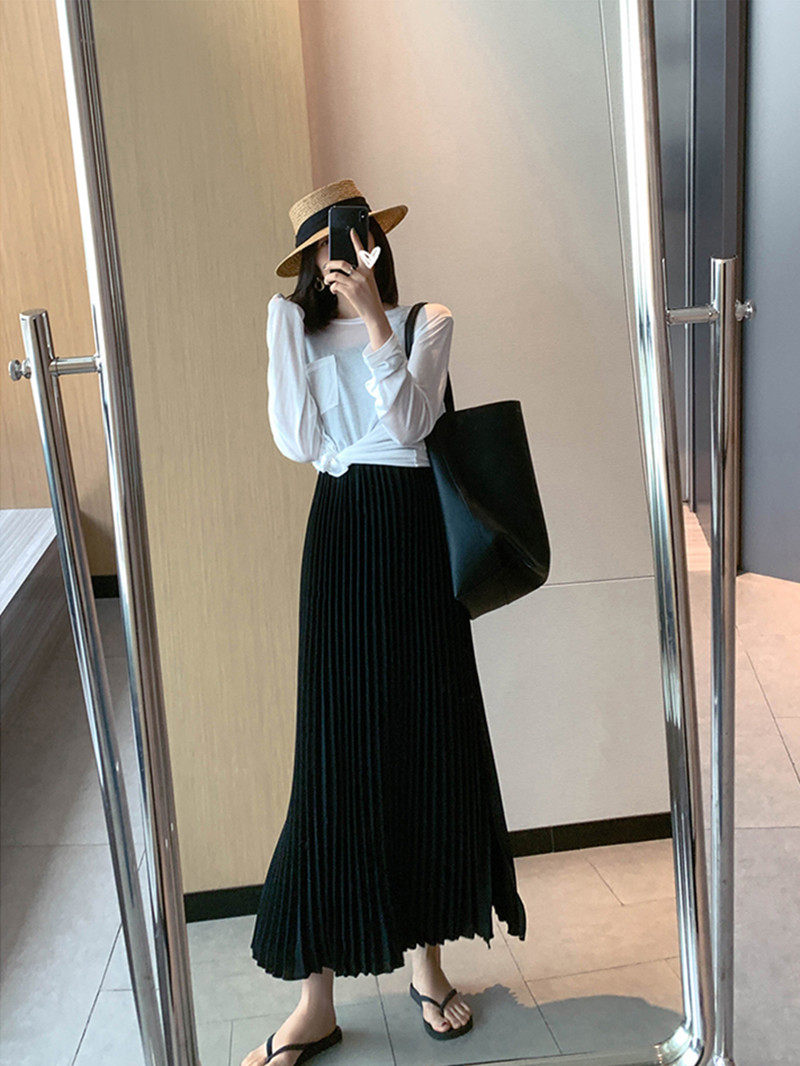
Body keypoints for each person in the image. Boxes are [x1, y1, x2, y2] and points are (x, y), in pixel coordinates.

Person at [243, 179, 526, 1066]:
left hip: (413, 541)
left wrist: (375, 325)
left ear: (375, 241)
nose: (345, 255)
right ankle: (315, 1002)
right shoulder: (292, 331)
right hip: (340, 540)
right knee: (332, 759)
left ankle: (427, 968)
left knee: (425, 744)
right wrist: (288, 333)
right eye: (326, 246)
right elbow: (300, 443)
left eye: (356, 236)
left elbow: (409, 427)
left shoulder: (427, 320)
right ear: (308, 262)